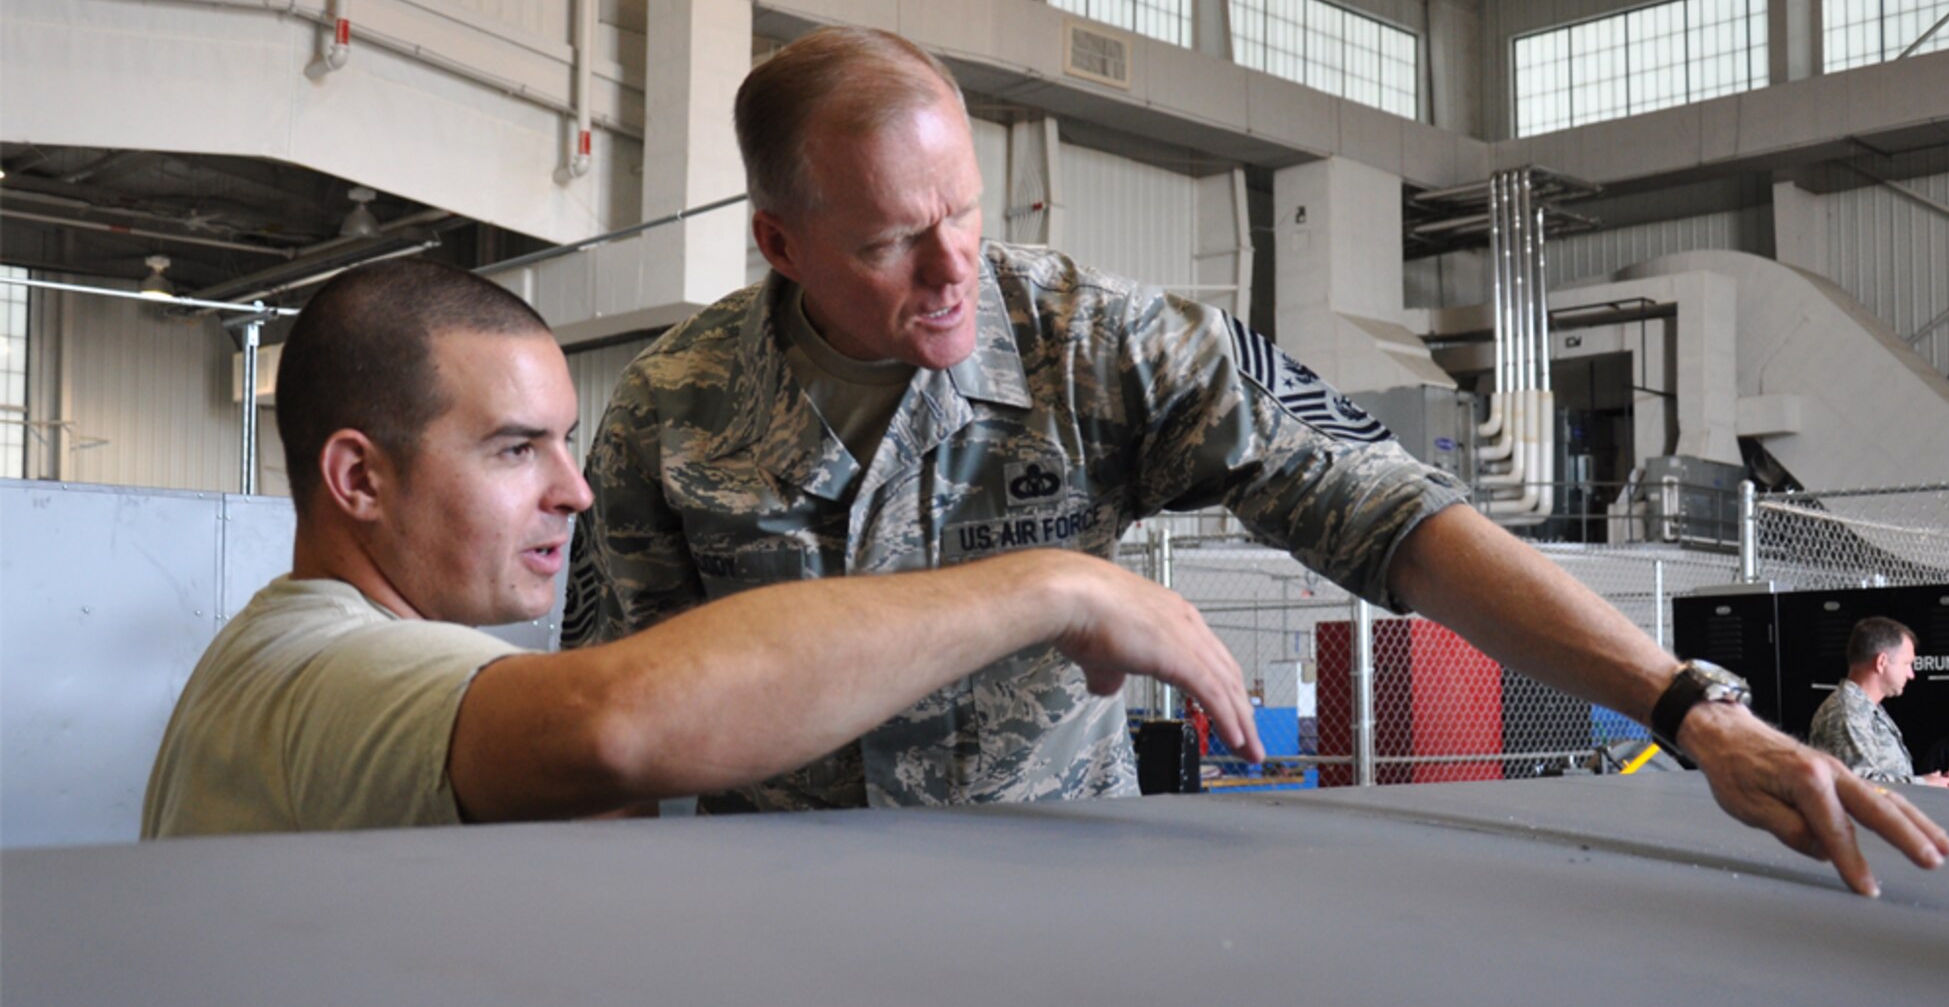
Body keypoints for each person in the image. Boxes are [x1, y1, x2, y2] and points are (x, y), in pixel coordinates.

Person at [566, 26, 1949, 896]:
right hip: (770, 905)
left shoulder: (1092, 346)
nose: (949, 273)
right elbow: (609, 731)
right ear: (779, 243)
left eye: (967, 217)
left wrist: (1687, 706)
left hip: (1058, 890)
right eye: (885, 244)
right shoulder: (669, 419)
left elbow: (1391, 514)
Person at [141, 261, 1264, 837]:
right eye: (513, 449)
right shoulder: (332, 669)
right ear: (357, 478)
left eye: (566, 443)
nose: (573, 490)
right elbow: (613, 720)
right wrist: (1051, 583)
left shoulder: (287, 655)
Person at [1806, 617, 1949, 788]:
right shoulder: (1847, 712)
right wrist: (1923, 784)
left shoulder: (1866, 708)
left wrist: (1932, 783)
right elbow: (1860, 785)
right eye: (1907, 664)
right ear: (1882, 662)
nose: (1911, 674)